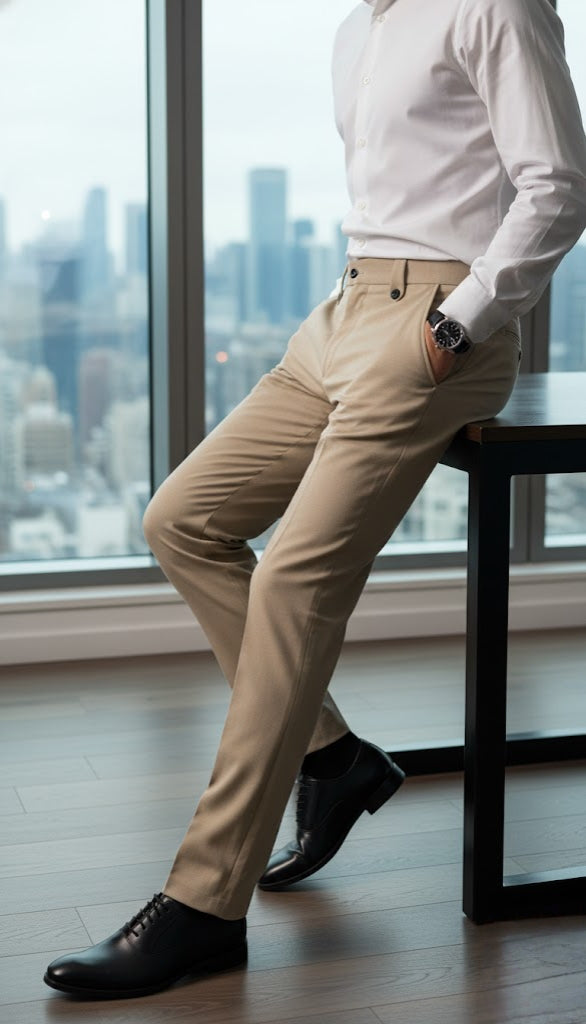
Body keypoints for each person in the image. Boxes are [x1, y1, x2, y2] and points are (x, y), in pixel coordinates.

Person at [44, 0, 586, 1000]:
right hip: (340, 309)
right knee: (182, 519)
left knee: (297, 578)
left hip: (436, 323)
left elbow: (556, 187)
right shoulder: (357, 27)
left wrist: (456, 325)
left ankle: (206, 901)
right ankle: (331, 756)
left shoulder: (493, 5)